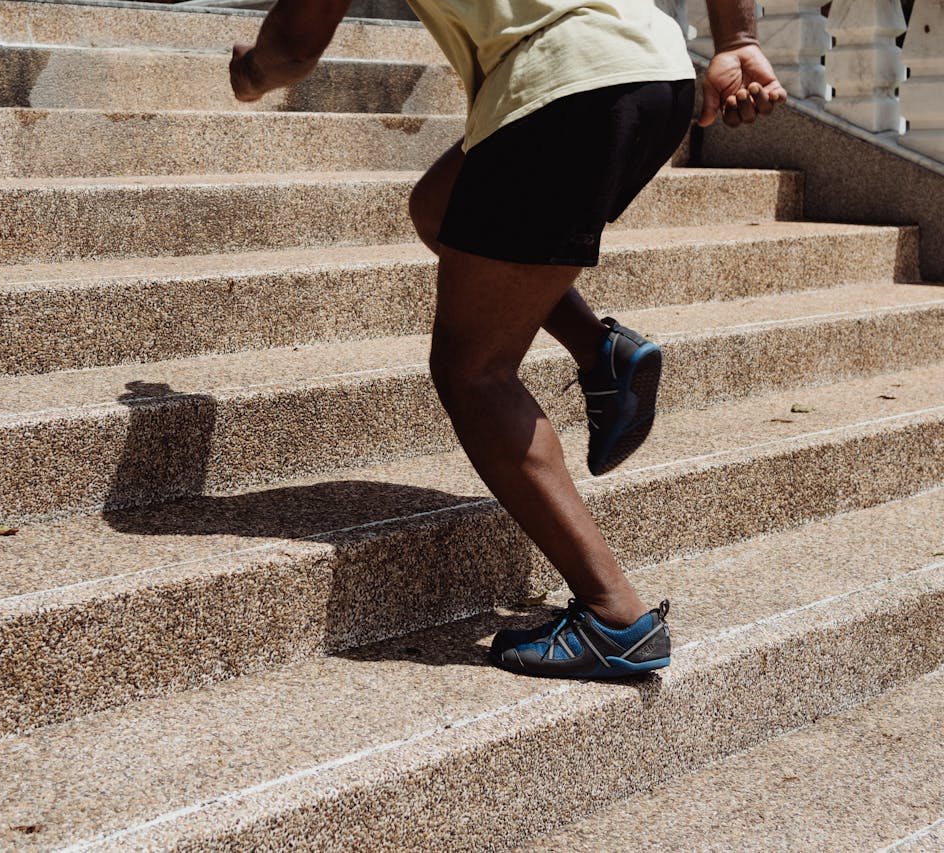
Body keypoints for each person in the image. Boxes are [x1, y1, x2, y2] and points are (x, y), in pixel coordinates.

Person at [229, 0, 786, 678]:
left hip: (562, 90)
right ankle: (600, 350)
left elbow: (293, 41)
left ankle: (616, 617)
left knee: (474, 372)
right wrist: (736, 39)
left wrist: (252, 73)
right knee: (440, 208)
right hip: (654, 72)